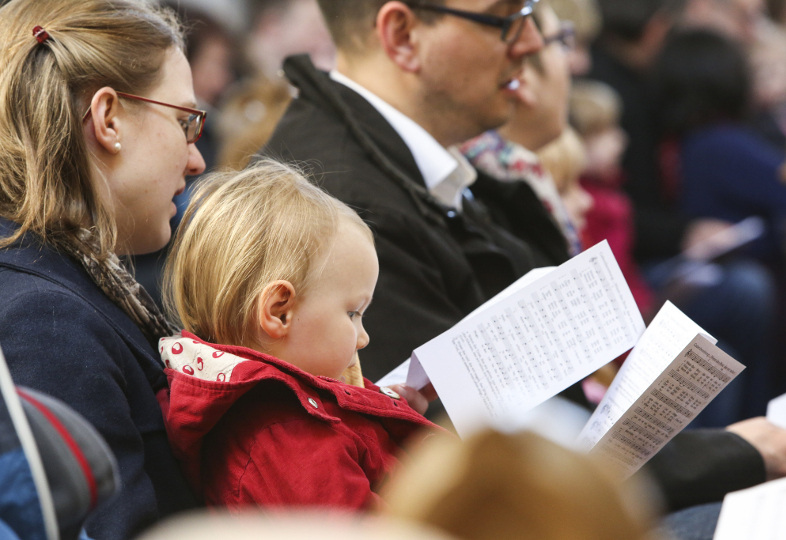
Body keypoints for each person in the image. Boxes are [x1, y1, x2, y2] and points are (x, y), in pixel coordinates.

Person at [261, 0, 786, 518]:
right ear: (402, 36)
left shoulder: (402, 161)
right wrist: (736, 453)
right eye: (505, 17)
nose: (531, 42)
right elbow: (478, 466)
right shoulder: (339, 201)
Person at [0, 0, 206, 537]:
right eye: (185, 122)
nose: (196, 158)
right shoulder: (43, 319)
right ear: (108, 118)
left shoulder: (50, 276)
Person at [160, 159, 441, 510]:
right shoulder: (282, 436)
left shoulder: (299, 399)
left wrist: (389, 406)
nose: (363, 337)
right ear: (279, 311)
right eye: (353, 313)